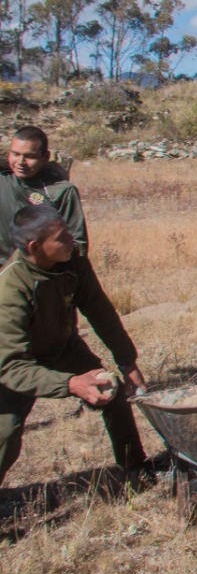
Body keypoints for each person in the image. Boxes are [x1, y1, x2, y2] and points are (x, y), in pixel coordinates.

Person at [0, 205, 148, 485]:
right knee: (5, 433)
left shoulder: (73, 260)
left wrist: (127, 360)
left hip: (63, 347)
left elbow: (99, 310)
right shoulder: (10, 289)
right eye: (62, 237)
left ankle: (135, 468)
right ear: (35, 247)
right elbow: (10, 366)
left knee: (111, 392)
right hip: (19, 362)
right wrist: (72, 384)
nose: (72, 239)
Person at [0, 126, 87, 260]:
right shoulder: (3, 179)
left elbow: (78, 244)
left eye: (30, 156)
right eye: (15, 154)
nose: (21, 162)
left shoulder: (61, 191)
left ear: (45, 157)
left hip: (38, 275)